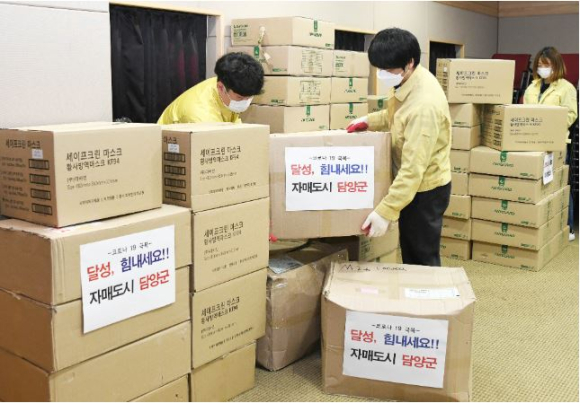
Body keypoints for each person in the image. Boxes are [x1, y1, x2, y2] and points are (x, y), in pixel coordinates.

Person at [347, 28, 452, 267]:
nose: (382, 74)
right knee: (411, 249)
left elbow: (412, 171)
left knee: (421, 258)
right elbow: (397, 115)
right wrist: (369, 121)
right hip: (413, 186)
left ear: (409, 63)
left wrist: (385, 211)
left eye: (388, 70)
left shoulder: (424, 106)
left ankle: (428, 291)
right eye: (379, 69)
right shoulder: (409, 80)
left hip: (424, 190)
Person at [524, 46, 578, 241]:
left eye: (546, 65)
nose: (542, 69)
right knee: (540, 184)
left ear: (556, 65)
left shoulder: (566, 88)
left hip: (557, 143)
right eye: (539, 65)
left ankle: (568, 227)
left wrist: (549, 125)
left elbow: (571, 115)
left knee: (560, 184)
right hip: (533, 141)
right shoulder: (532, 87)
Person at [157, 52, 264, 124]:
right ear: (221, 87)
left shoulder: (228, 85)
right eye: (240, 98)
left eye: (249, 98)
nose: (245, 102)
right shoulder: (200, 115)